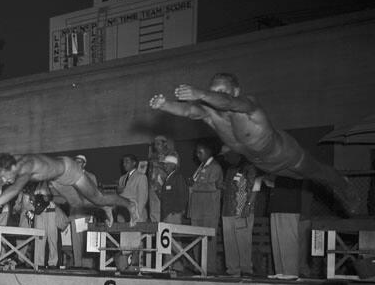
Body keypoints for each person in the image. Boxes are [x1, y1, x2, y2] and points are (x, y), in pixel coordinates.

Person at [149, 72, 360, 214]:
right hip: (265, 165)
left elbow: (229, 103)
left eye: (220, 91)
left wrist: (201, 93)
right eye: (213, 91)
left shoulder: (247, 104)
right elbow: (188, 110)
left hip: (286, 155)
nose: (215, 95)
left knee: (318, 174)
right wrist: (165, 104)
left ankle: (344, 185)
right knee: (304, 179)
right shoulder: (211, 115)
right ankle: (336, 184)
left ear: (236, 91)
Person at [0, 153, 135, 226]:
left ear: (14, 168)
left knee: (99, 197)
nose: (5, 180)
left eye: (6, 177)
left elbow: (12, 191)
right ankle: (104, 208)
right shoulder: (1, 168)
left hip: (69, 170)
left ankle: (129, 205)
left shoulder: (26, 166)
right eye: (2, 178)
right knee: (77, 204)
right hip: (55, 179)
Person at [221, 155, 261, 277]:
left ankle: (246, 270)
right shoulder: (229, 170)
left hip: (242, 211)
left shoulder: (251, 167)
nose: (225, 157)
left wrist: (248, 205)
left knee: (243, 242)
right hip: (228, 211)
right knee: (229, 243)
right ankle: (232, 270)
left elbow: (256, 187)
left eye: (228, 154)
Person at [187, 142, 223, 274]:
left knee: (209, 241)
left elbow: (213, 186)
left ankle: (209, 269)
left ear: (209, 153)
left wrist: (194, 185)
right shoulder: (201, 167)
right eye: (197, 152)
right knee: (196, 240)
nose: (197, 155)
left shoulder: (215, 167)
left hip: (209, 210)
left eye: (200, 152)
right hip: (196, 210)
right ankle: (198, 267)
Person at [147, 135, 180, 223]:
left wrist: (159, 164)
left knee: (168, 211)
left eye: (158, 144)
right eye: (155, 144)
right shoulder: (153, 156)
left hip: (166, 186)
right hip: (153, 187)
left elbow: (174, 169)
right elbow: (149, 172)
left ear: (165, 144)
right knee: (154, 211)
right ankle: (156, 232)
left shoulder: (172, 154)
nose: (156, 146)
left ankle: (169, 233)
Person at [116, 154, 148, 223]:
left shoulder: (141, 177)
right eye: (123, 162)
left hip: (135, 214)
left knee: (134, 233)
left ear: (134, 163)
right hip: (123, 215)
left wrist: (136, 215)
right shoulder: (122, 178)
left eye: (127, 162)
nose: (124, 164)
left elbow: (142, 198)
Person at [159, 155, 188, 224]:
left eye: (167, 164)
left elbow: (182, 194)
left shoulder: (178, 177)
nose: (164, 166)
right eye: (164, 164)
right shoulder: (168, 178)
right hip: (166, 213)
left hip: (173, 213)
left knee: (174, 233)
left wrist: (178, 211)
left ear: (173, 165)